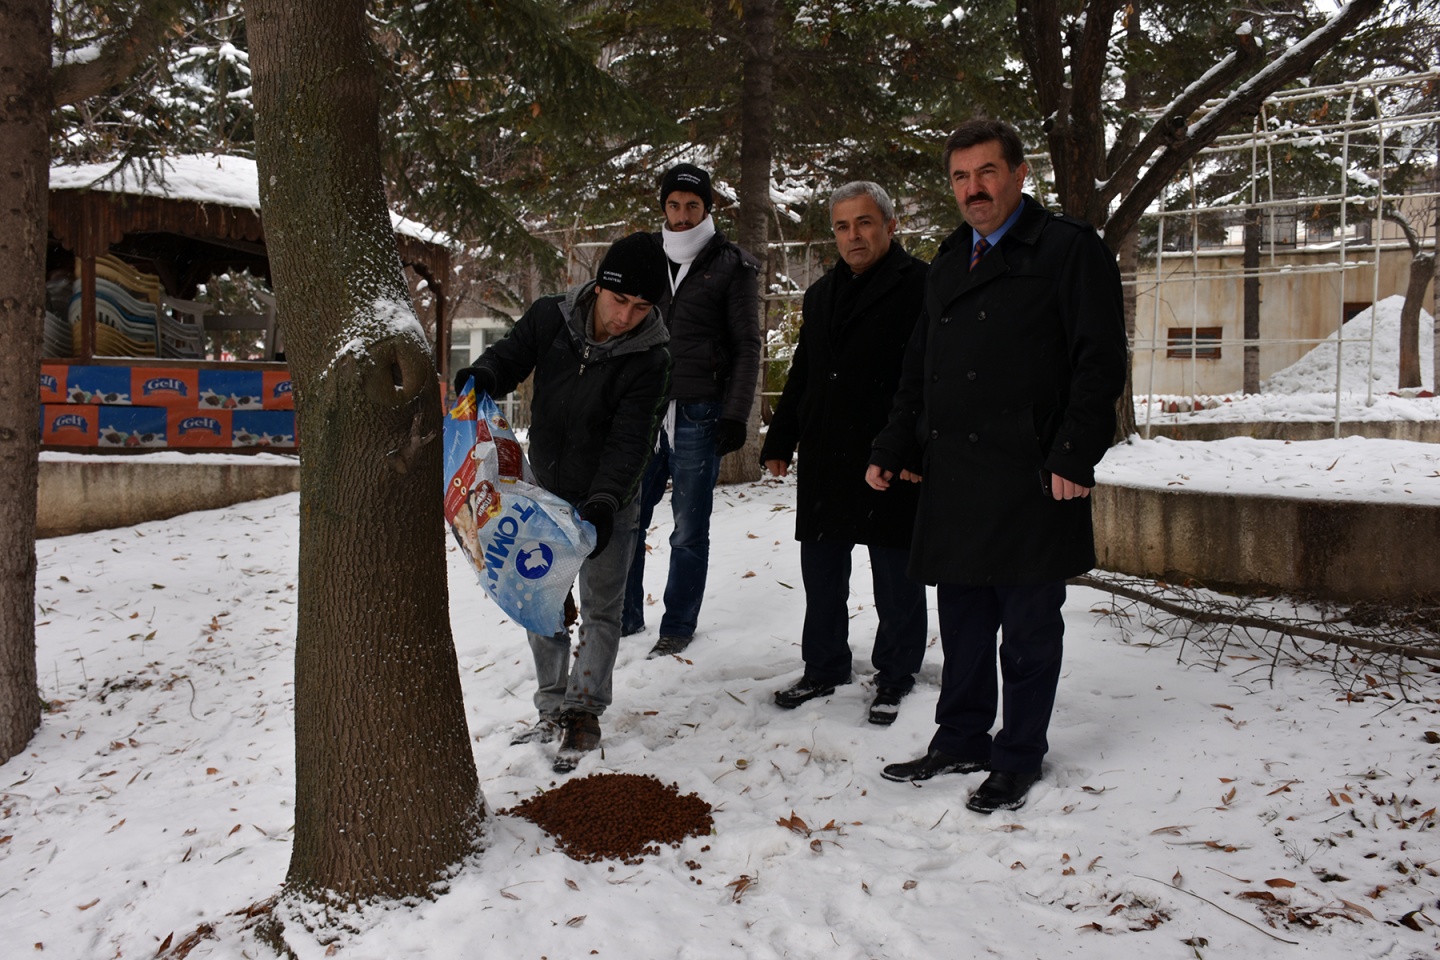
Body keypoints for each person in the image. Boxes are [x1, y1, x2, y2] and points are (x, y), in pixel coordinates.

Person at [866, 119, 1127, 813]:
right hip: (956, 477)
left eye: (986, 172)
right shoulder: (952, 260)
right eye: (960, 176)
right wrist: (893, 446)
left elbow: (1099, 363)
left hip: (1033, 473)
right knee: (964, 621)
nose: (973, 188)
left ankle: (1017, 755)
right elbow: (918, 369)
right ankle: (960, 738)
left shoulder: (1069, 250)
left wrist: (1075, 452)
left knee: (1030, 624)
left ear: (1018, 175)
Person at [452, 233, 672, 774]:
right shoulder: (552, 317)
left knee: (601, 607)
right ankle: (551, 706)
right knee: (540, 598)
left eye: (642, 307)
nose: (626, 316)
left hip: (610, 499)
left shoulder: (652, 356)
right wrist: (484, 375)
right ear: (599, 288)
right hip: (544, 491)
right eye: (620, 301)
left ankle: (584, 711)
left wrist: (603, 501)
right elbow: (511, 355)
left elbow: (631, 441)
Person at [760, 181, 929, 725]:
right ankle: (825, 664)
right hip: (828, 451)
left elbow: (928, 378)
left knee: (895, 573)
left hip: (890, 451)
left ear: (890, 225)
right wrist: (782, 437)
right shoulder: (822, 293)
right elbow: (807, 371)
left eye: (864, 223)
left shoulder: (922, 286)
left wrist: (914, 447)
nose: (853, 236)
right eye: (842, 226)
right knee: (822, 570)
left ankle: (896, 673)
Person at [621, 162, 762, 660]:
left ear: (708, 209)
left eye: (692, 206)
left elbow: (748, 344)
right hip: (644, 409)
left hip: (700, 411)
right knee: (628, 516)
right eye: (674, 205)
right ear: (664, 207)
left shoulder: (732, 264)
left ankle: (678, 623)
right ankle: (624, 614)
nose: (682, 216)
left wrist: (736, 414)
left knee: (687, 526)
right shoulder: (645, 257)